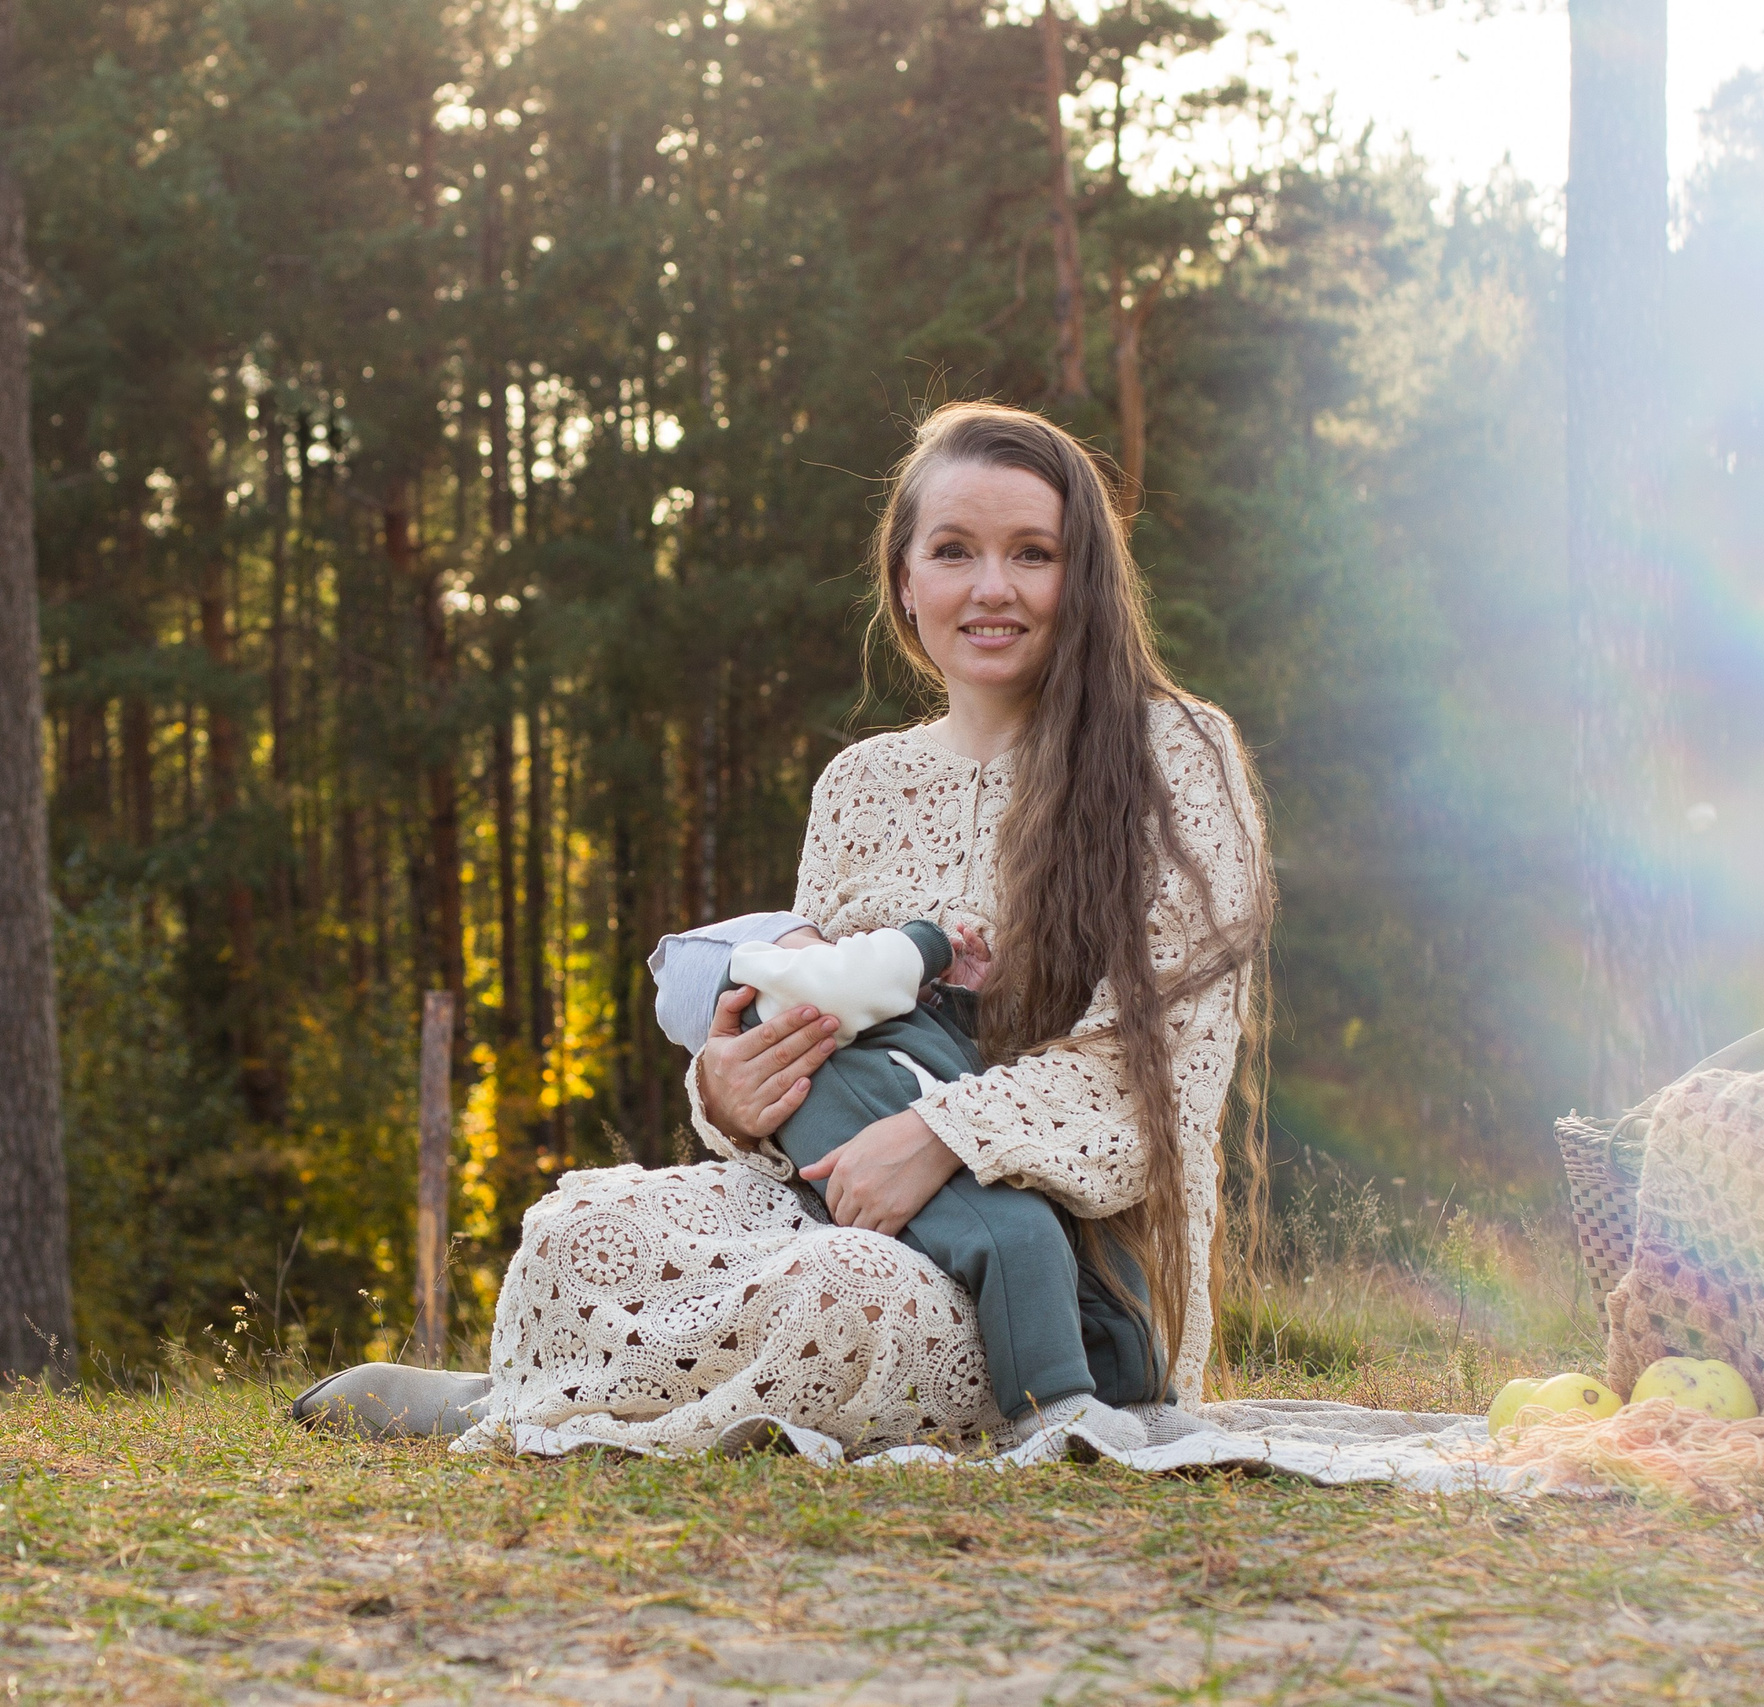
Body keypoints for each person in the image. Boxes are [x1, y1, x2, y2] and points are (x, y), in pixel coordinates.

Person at [291, 400, 1274, 1454]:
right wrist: (730, 1092)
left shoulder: (1174, 754)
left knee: (833, 1293)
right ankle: (532, 1391)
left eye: (1032, 553)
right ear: (905, 581)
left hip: (1068, 1278)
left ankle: (534, 1400)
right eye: (953, 552)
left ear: (1083, 579)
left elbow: (1162, 1061)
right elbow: (814, 1021)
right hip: (842, 1204)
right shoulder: (860, 784)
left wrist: (941, 1138)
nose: (992, 588)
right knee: (587, 1231)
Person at [650, 911, 1165, 1437]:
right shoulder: (775, 988)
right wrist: (929, 942)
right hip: (914, 1184)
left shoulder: (857, 1024)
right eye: (810, 939)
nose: (838, 942)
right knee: (1018, 1235)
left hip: (961, 1152)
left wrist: (961, 999)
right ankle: (1054, 1409)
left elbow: (953, 1048)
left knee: (1094, 1239)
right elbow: (853, 974)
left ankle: (1142, 1402)